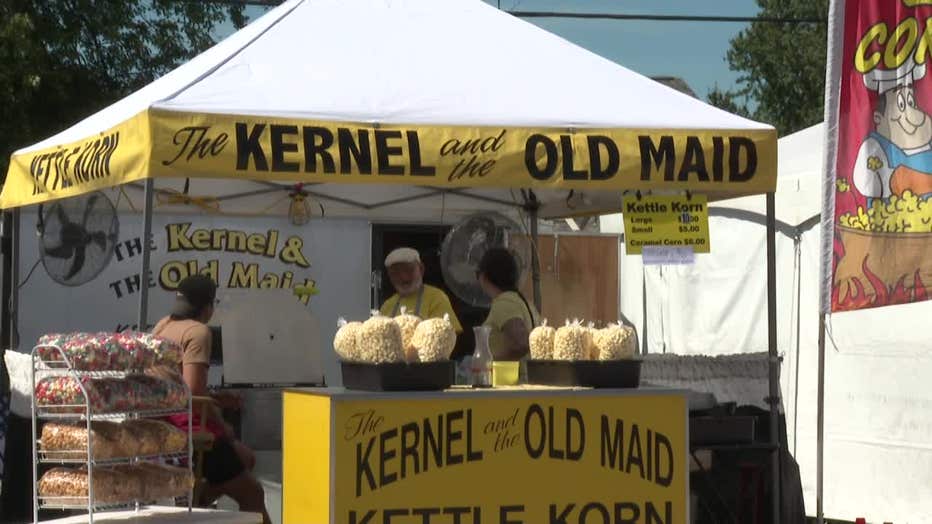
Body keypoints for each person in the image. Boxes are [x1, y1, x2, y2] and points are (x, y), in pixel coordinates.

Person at [150, 275, 271, 524]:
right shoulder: (198, 332)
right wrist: (225, 430)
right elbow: (193, 393)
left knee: (243, 460)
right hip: (187, 427)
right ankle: (201, 495)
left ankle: (202, 494)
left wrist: (215, 398)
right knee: (253, 494)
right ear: (207, 307)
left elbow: (176, 385)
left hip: (161, 421)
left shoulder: (162, 326)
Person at [476, 248, 539, 363]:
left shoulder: (504, 303)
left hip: (511, 378)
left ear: (483, 276)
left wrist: (488, 362)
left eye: (477, 274)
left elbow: (520, 344)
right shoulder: (522, 301)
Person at [380, 247, 463, 332]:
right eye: (395, 273)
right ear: (389, 276)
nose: (404, 278)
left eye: (409, 270)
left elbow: (448, 335)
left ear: (421, 269)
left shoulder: (436, 297)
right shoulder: (387, 305)